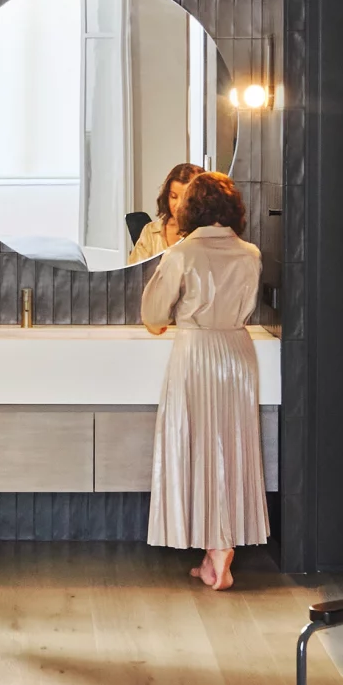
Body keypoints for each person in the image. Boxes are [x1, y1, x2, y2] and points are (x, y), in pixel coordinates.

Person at [141, 169, 269, 590]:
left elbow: (154, 316)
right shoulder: (250, 252)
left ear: (191, 208)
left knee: (194, 443)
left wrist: (168, 319)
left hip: (196, 354)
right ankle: (218, 549)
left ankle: (216, 550)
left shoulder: (181, 252)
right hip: (237, 353)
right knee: (232, 446)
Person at [128, 161, 200, 264]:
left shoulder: (207, 234)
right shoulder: (151, 232)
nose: (178, 205)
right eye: (173, 197)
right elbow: (135, 275)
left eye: (186, 198)